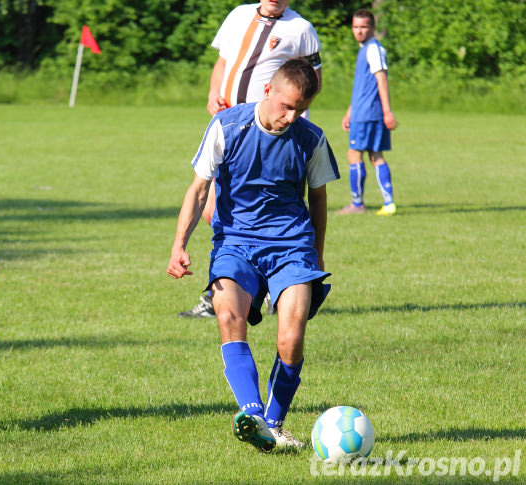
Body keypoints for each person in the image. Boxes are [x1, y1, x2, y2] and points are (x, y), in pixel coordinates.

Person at [167, 59, 339, 452]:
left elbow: (319, 198)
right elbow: (197, 190)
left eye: (300, 109)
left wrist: (316, 254)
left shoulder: (310, 138)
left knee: (291, 339)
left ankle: (274, 426)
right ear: (268, 91)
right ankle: (253, 412)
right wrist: (179, 245)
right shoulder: (227, 126)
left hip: (291, 246)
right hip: (235, 243)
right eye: (287, 106)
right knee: (229, 315)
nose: (291, 116)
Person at [179, 0, 322, 318]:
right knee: (215, 211)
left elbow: (313, 81)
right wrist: (213, 92)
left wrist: (294, 126)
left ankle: (271, 285)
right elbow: (223, 62)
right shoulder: (238, 15)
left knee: (264, 215)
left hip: (272, 137)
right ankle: (235, 286)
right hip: (231, 133)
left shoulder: (300, 29)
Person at [337, 8, 398, 216]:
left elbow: (381, 79)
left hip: (368, 115)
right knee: (375, 156)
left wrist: (387, 111)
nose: (359, 31)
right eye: (356, 27)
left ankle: (357, 204)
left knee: (354, 154)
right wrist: (349, 113)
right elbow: (364, 87)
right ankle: (388, 203)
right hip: (363, 113)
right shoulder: (366, 49)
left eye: (364, 27)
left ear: (372, 28)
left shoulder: (373, 49)